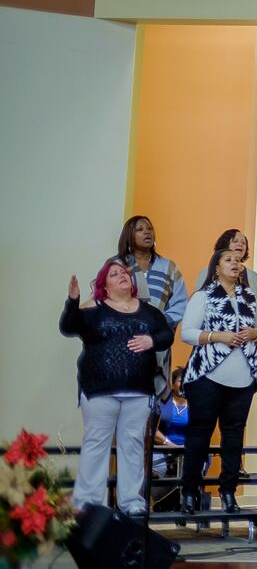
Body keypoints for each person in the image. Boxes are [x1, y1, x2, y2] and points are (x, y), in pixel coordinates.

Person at [60, 260, 173, 517]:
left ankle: (131, 501)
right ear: (105, 286)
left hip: (139, 391)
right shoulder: (94, 310)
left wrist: (152, 340)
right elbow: (67, 327)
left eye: (123, 272)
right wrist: (73, 300)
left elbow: (167, 335)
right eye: (114, 274)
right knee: (96, 444)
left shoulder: (149, 311)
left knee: (132, 444)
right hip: (99, 390)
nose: (122, 275)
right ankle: (88, 502)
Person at [179, 248, 257, 514]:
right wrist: (219, 336)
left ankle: (228, 493)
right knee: (200, 433)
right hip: (207, 375)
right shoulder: (203, 295)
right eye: (228, 260)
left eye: (238, 261)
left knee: (233, 436)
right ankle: (189, 491)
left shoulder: (250, 297)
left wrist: (255, 333)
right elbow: (187, 333)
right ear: (216, 268)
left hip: (242, 377)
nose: (235, 264)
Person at [112, 215, 188, 398]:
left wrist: (159, 323)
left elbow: (181, 302)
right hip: (122, 340)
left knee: (152, 399)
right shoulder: (115, 265)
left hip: (156, 341)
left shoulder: (169, 267)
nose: (147, 232)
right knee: (120, 394)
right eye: (140, 229)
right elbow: (103, 297)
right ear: (129, 235)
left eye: (149, 228)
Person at [193, 229, 257, 371]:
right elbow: (198, 312)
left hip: (246, 349)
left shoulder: (254, 277)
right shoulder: (206, 273)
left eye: (243, 242)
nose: (240, 244)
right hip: (213, 347)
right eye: (235, 241)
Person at [154, 369, 189, 476]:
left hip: (187, 450)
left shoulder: (196, 405)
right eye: (180, 381)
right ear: (172, 385)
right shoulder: (162, 403)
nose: (184, 384)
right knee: (157, 469)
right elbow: (152, 431)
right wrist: (170, 444)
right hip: (162, 448)